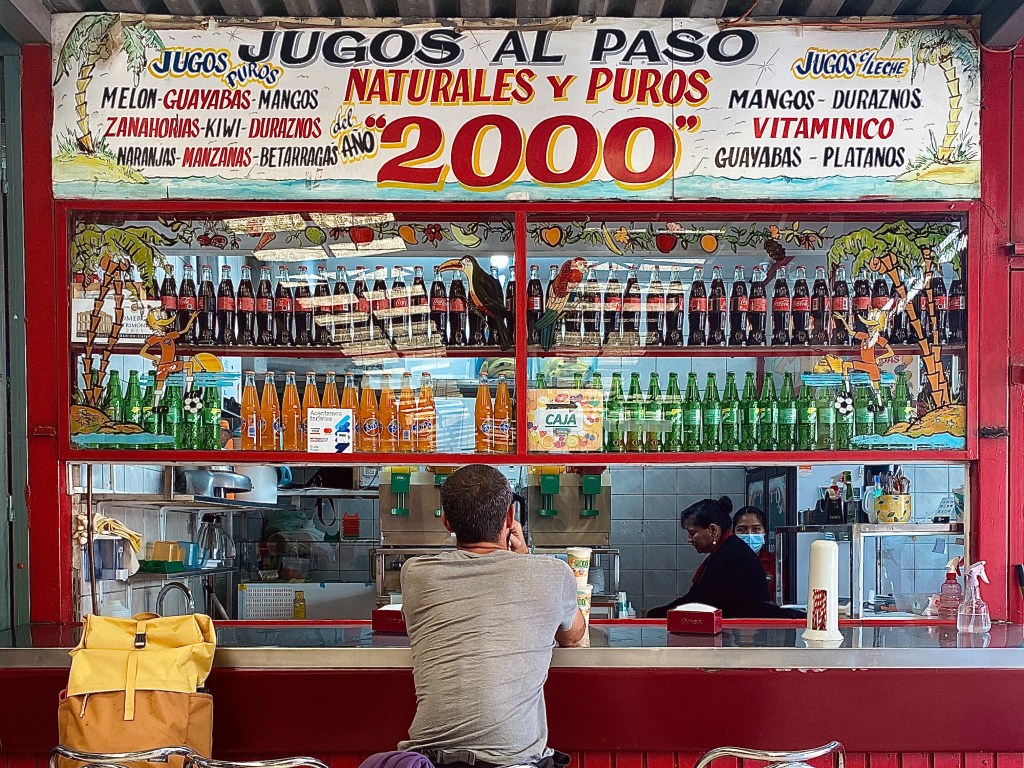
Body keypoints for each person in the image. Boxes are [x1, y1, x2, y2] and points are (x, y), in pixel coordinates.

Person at [398, 465, 587, 768]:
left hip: (429, 761)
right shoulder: (552, 574)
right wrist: (524, 556)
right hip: (515, 763)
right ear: (511, 517)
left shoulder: (416, 574)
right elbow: (573, 635)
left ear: (446, 521)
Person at [646, 496, 785, 619]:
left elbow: (699, 602)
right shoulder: (726, 550)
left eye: (692, 533)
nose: (689, 539)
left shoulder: (731, 555)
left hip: (749, 633)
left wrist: (654, 615)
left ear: (713, 530)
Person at [733, 505, 776, 598]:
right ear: (733, 533)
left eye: (756, 529)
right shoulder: (723, 561)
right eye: (742, 529)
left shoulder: (775, 564)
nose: (749, 534)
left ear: (765, 534)